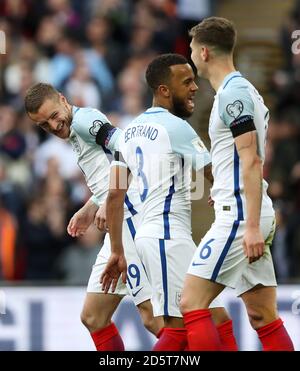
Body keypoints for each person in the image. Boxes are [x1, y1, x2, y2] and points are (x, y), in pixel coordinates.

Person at [101, 54, 237, 351]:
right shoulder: (176, 128)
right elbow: (213, 172)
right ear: (164, 90)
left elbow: (114, 195)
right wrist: (232, 195)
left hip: (159, 237)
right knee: (179, 328)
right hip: (166, 237)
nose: (195, 88)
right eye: (186, 82)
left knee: (216, 316)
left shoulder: (129, 131)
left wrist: (117, 250)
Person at [180, 17, 294, 351]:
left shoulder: (234, 94)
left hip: (242, 217)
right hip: (244, 209)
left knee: (191, 303)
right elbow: (243, 156)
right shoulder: (241, 93)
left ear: (203, 52)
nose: (189, 56)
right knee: (262, 316)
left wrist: (252, 226)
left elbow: (252, 159)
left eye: (190, 49)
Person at [24, 83, 162, 351]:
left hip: (131, 219)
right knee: (93, 317)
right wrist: (93, 205)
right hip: (117, 226)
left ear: (63, 100)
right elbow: (107, 169)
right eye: (43, 125)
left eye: (53, 116)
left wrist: (111, 198)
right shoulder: (75, 131)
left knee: (152, 317)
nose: (53, 126)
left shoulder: (86, 121)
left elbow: (129, 152)